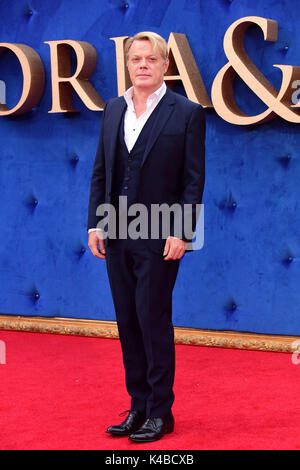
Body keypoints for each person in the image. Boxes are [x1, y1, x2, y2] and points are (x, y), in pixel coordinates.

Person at [87, 31, 205, 443]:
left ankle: (160, 412)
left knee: (152, 319)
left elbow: (192, 181)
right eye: (135, 59)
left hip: (160, 233)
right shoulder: (114, 108)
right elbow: (101, 170)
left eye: (150, 59)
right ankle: (137, 407)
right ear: (128, 64)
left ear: (164, 65)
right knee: (127, 322)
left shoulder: (186, 113)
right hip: (116, 231)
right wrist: (94, 223)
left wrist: (182, 232)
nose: (141, 65)